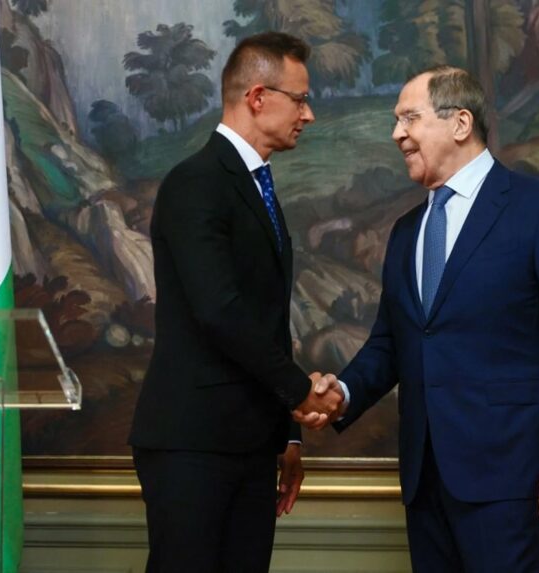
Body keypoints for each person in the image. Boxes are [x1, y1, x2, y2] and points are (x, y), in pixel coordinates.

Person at [300, 66, 539, 571]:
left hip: (510, 481)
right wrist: (342, 394)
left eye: (409, 118)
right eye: (396, 121)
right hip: (425, 483)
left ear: (460, 123)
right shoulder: (406, 231)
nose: (396, 134)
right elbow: (391, 343)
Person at [129, 32, 342, 573]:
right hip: (192, 442)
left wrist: (288, 432)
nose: (309, 115)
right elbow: (219, 310)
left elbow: (266, 319)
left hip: (250, 442)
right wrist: (300, 391)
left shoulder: (255, 184)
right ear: (257, 97)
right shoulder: (196, 182)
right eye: (300, 99)